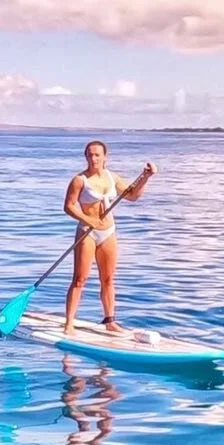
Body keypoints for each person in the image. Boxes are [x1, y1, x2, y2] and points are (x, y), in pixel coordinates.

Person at [62, 140, 156, 335]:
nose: (93, 158)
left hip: (108, 231)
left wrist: (146, 177)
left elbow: (132, 196)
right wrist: (88, 219)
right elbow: (69, 206)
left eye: (97, 155)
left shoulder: (112, 177)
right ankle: (69, 323)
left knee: (108, 278)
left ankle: (110, 320)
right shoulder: (80, 180)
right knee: (80, 278)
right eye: (90, 155)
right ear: (85, 157)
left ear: (105, 156)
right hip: (87, 231)